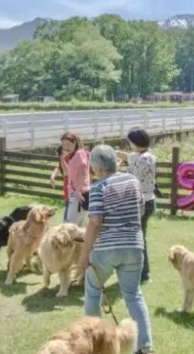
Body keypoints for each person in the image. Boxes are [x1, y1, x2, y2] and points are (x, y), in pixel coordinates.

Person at [78, 144, 154, 354]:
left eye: (93, 168)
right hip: (134, 246)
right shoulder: (133, 181)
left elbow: (94, 222)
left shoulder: (98, 188)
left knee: (93, 292)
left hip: (106, 249)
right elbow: (140, 210)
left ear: (99, 168)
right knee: (133, 294)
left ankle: (94, 344)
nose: (93, 172)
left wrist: (84, 255)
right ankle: (145, 347)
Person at [117, 128, 157, 284]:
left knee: (138, 240)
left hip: (143, 203)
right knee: (136, 238)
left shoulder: (145, 158)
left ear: (136, 143)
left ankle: (143, 274)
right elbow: (128, 157)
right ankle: (138, 273)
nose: (129, 145)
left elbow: (133, 176)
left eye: (130, 142)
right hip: (142, 201)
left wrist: (117, 170)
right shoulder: (143, 155)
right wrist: (114, 153)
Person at [60, 132, 91, 227]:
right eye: (64, 145)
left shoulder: (79, 154)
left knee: (69, 226)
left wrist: (78, 191)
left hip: (78, 193)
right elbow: (68, 173)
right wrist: (62, 159)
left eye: (68, 145)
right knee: (80, 226)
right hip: (77, 193)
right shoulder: (73, 155)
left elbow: (82, 172)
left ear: (74, 143)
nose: (66, 147)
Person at [50, 145, 71, 221]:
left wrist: (62, 159)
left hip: (73, 189)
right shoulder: (63, 159)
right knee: (67, 208)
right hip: (67, 189)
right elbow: (58, 168)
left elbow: (67, 172)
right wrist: (52, 176)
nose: (65, 153)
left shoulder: (72, 158)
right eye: (63, 152)